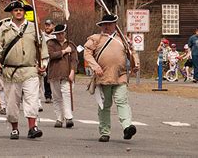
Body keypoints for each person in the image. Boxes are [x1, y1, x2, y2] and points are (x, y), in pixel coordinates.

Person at [0, 0, 49, 140]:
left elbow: (42, 48)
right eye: (16, 10)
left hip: (29, 70)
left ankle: (32, 127)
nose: (18, 12)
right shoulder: (4, 28)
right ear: (12, 12)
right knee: (12, 103)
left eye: (21, 10)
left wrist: (44, 64)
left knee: (32, 100)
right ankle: (14, 128)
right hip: (11, 72)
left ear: (24, 12)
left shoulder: (34, 28)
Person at [84, 14, 139, 142]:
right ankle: (105, 132)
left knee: (122, 101)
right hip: (103, 76)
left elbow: (132, 53)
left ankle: (127, 127)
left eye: (110, 24)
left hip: (120, 75)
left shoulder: (123, 39)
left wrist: (135, 64)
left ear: (115, 25)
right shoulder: (95, 39)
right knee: (105, 105)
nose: (107, 26)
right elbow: (87, 54)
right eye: (105, 24)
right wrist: (95, 66)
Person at [47, 24, 77, 128]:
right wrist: (64, 51)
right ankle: (59, 118)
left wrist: (72, 71)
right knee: (56, 97)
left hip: (67, 74)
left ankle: (68, 117)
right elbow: (50, 55)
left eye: (61, 33)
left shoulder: (71, 44)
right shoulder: (50, 44)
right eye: (58, 34)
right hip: (54, 73)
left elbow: (74, 60)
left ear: (64, 33)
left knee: (67, 95)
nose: (60, 36)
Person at [42, 19, 55, 104]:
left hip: (54, 60)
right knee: (46, 78)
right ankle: (48, 96)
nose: (47, 27)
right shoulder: (42, 36)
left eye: (49, 25)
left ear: (53, 26)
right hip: (45, 60)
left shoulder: (56, 36)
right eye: (46, 25)